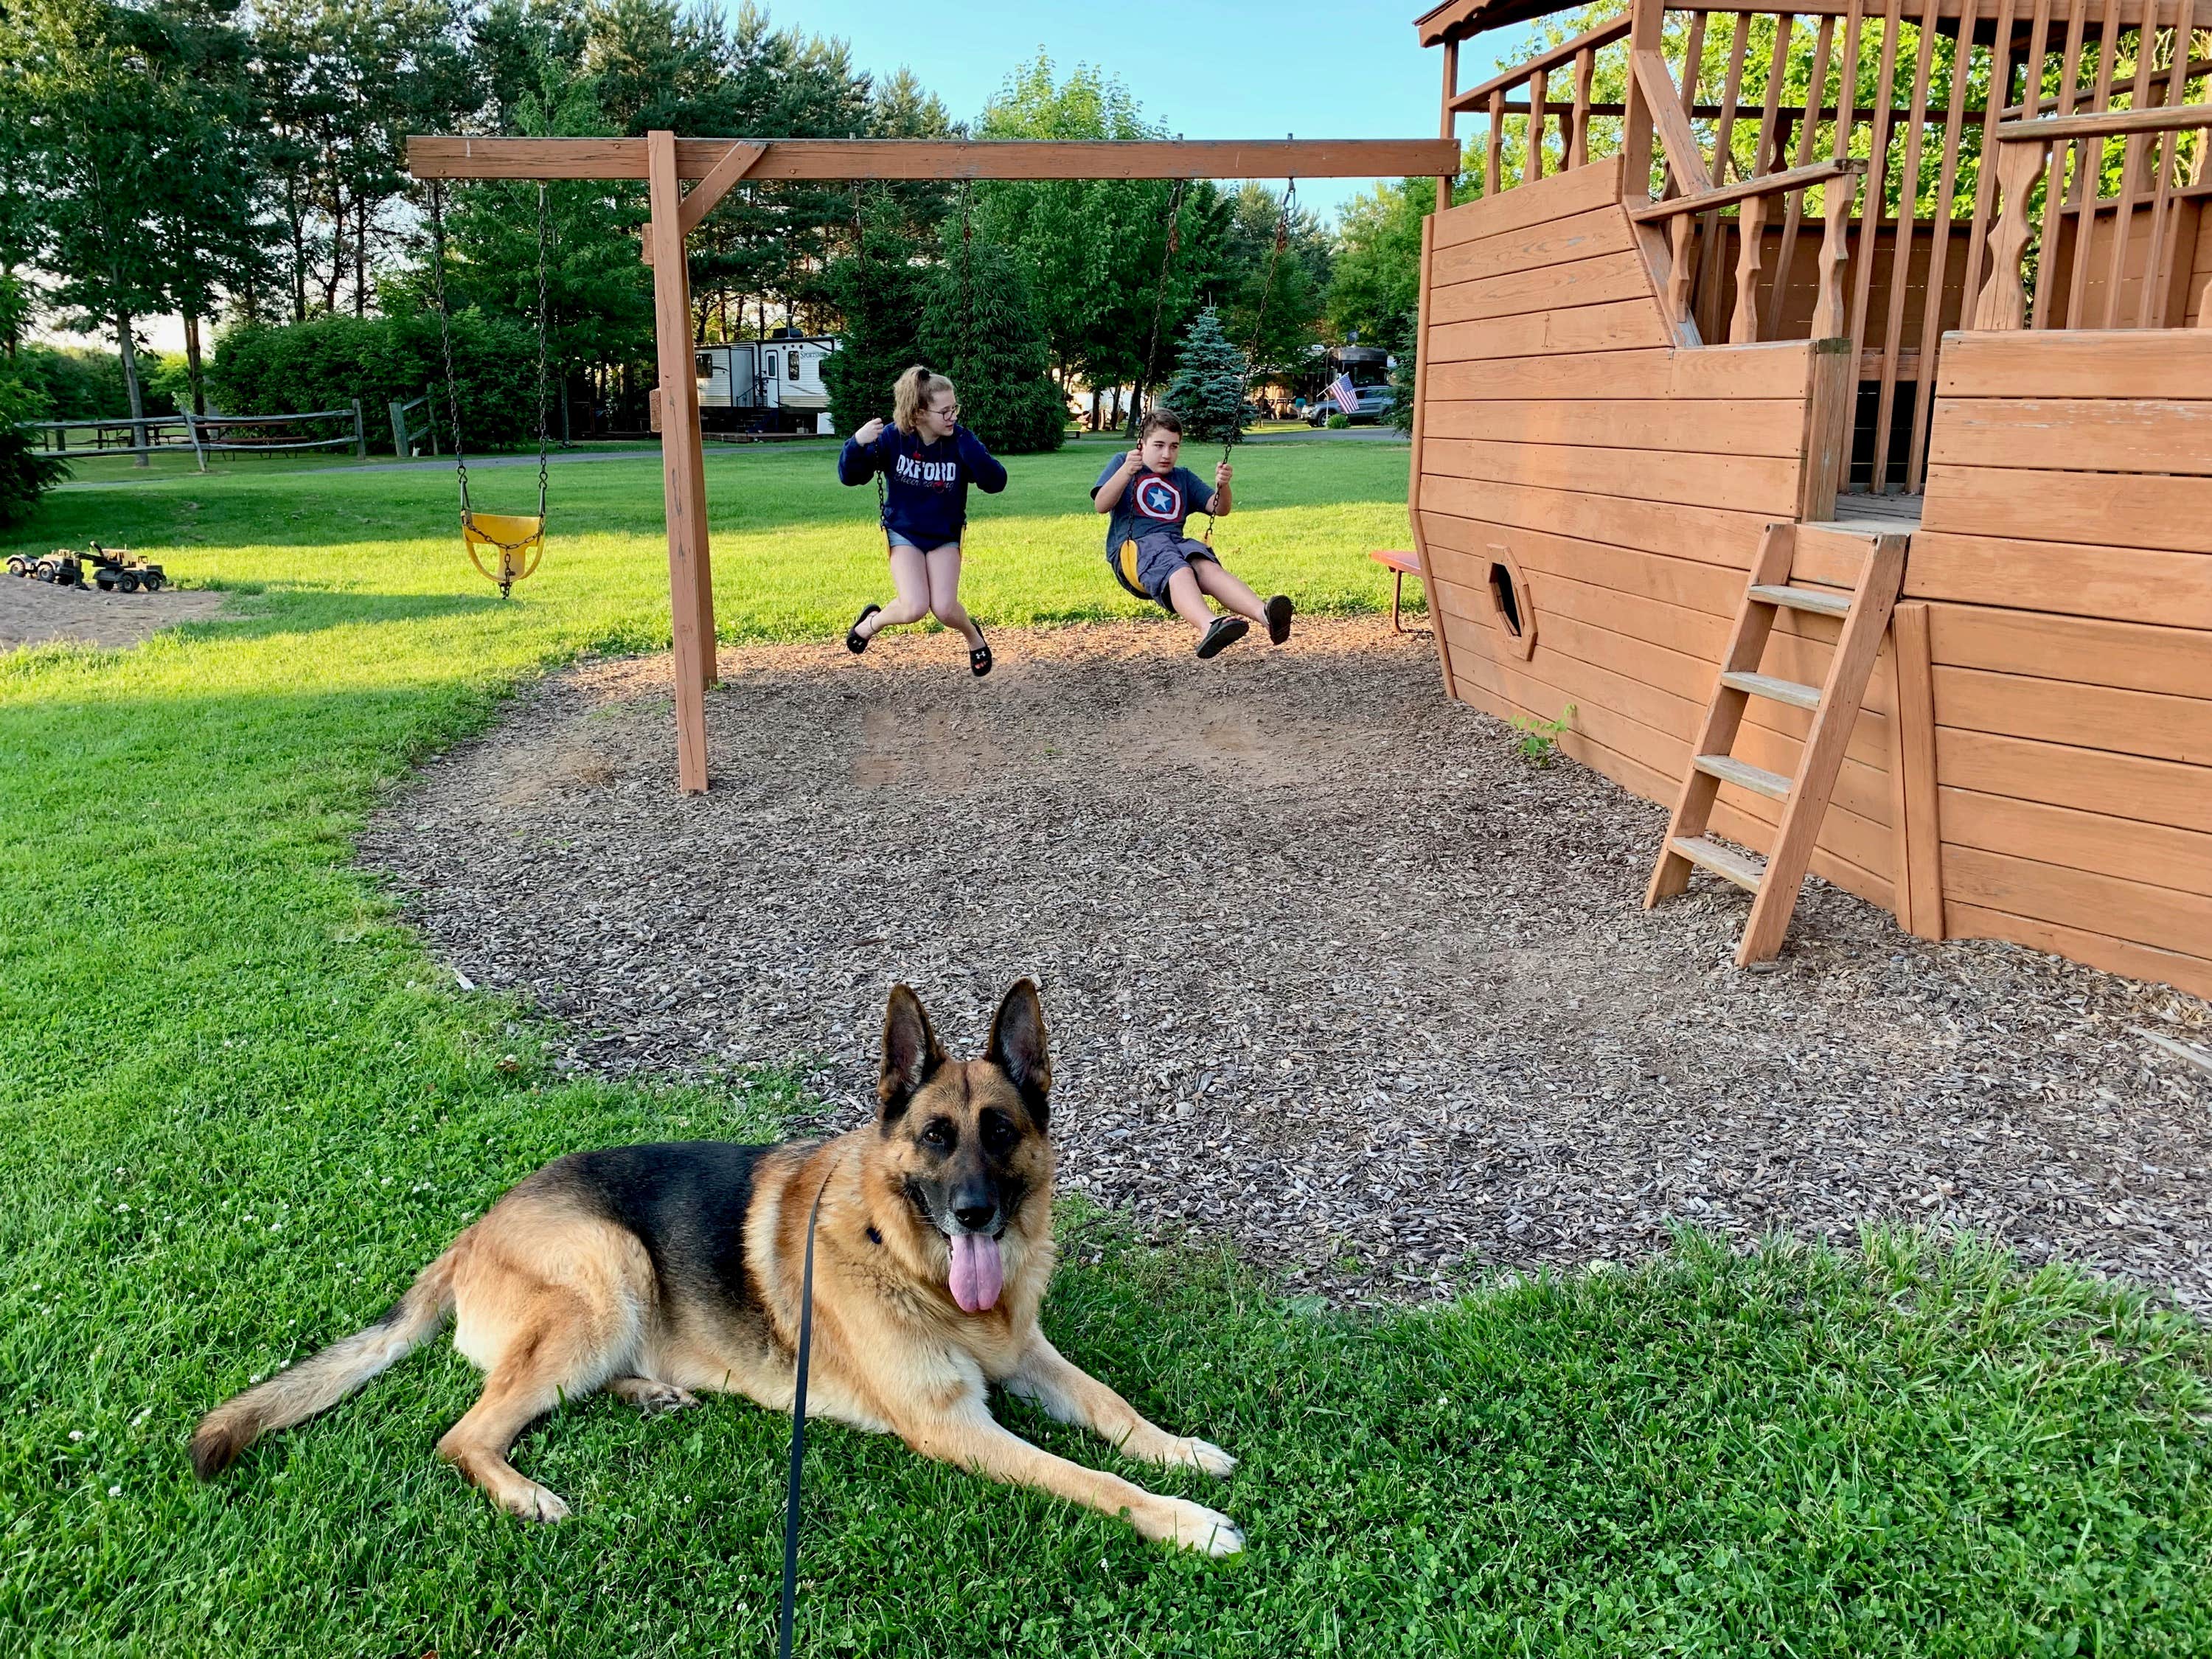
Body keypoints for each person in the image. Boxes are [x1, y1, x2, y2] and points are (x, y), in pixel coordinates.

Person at [838, 365, 1006, 676]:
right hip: (904, 533)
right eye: (945, 411)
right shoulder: (892, 438)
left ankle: (973, 636)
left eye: (955, 407)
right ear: (919, 414)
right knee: (914, 607)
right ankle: (871, 623)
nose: (953, 416)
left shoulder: (960, 441)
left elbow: (996, 482)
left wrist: (972, 451)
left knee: (944, 608)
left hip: (944, 534)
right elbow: (850, 477)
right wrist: (857, 443)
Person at [1093, 408, 1292, 659]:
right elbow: (1101, 505)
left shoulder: (1183, 477)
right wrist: (1125, 473)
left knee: (1204, 563)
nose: (1167, 454)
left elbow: (1219, 508)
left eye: (1174, 446)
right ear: (1142, 444)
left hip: (1176, 544)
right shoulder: (1125, 462)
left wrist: (1224, 486)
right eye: (1159, 445)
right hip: (1137, 550)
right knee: (1179, 568)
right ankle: (1208, 625)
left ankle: (1265, 615)